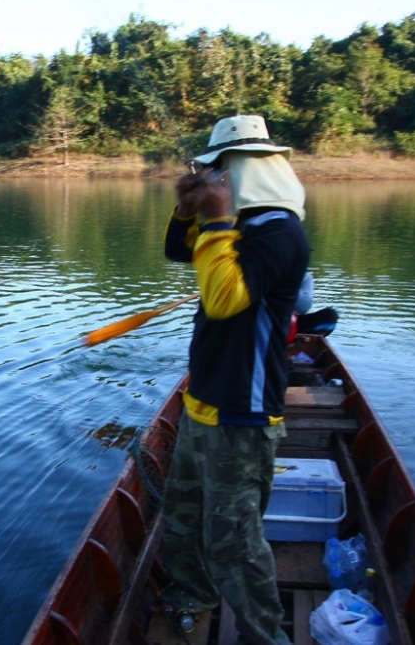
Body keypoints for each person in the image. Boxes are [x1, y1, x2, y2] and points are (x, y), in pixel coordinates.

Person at [158, 115, 310, 644]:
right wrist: (186, 211)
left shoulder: (278, 232)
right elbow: (180, 251)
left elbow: (224, 301)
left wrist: (218, 220)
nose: (211, 179)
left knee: (234, 545)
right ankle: (192, 595)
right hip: (202, 401)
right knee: (181, 520)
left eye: (217, 170)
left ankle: (266, 637)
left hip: (241, 415)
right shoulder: (238, 223)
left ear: (243, 170)